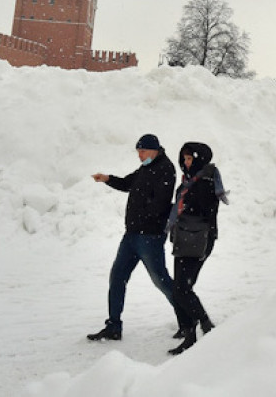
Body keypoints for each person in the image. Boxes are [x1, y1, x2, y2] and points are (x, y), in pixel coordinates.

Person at [87, 134, 178, 343]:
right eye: (138, 152)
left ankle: (187, 317)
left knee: (161, 280)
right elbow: (129, 183)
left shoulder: (165, 168)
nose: (140, 155)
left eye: (143, 151)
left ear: (154, 150)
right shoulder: (146, 167)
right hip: (131, 235)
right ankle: (113, 326)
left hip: (150, 237)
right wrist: (108, 179)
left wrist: (144, 218)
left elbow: (160, 204)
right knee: (117, 277)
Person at [166, 141, 223, 355]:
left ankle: (205, 324)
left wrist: (186, 205)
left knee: (182, 289)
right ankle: (190, 335)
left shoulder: (206, 179)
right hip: (184, 238)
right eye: (184, 159)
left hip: (200, 239)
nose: (186, 162)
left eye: (190, 159)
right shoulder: (190, 180)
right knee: (180, 288)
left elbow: (207, 210)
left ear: (199, 159)